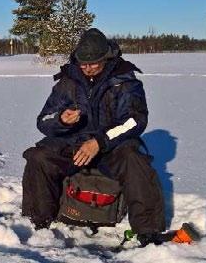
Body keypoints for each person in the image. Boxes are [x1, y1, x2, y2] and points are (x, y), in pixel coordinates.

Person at [21, 28, 165, 246]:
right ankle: (38, 221)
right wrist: (61, 119)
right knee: (39, 157)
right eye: (83, 64)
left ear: (106, 59)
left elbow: (134, 120)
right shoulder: (67, 81)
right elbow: (43, 120)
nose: (87, 68)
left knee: (135, 161)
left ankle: (148, 230)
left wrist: (100, 141)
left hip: (112, 146)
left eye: (94, 63)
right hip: (73, 143)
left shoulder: (124, 81)